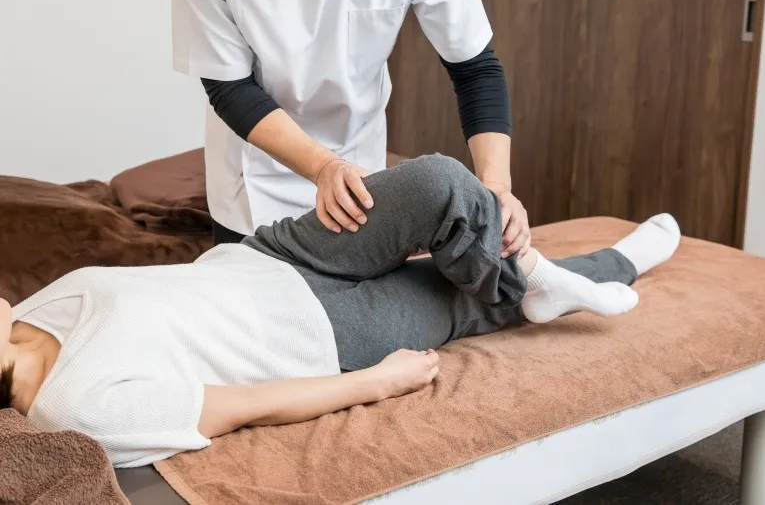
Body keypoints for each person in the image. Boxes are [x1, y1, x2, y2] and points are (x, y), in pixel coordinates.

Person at [0, 156, 680, 468]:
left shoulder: (29, 312)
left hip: (274, 256)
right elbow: (245, 405)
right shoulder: (74, 410)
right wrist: (374, 383)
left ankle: (533, 275)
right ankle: (610, 264)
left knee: (439, 181)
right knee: (472, 300)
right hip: (327, 335)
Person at [172, 0, 532, 259]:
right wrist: (324, 168)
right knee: (258, 316)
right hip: (256, 179)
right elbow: (230, 89)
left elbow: (475, 69)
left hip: (361, 172)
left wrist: (497, 188)